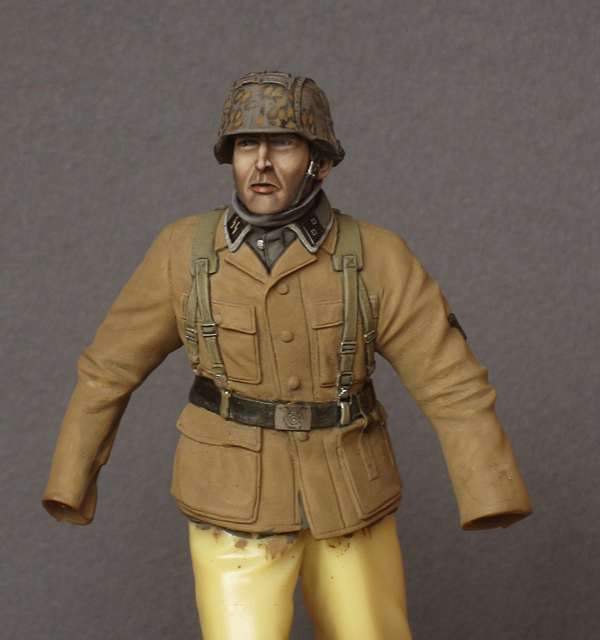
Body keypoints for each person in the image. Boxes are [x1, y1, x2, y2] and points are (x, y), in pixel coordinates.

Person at [43, 71, 532, 640]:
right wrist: (70, 479)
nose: (262, 163)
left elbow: (450, 382)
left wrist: (489, 490)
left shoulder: (377, 256)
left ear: (320, 161)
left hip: (350, 497)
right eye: (246, 144)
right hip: (231, 501)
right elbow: (108, 369)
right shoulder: (183, 253)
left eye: (283, 144)